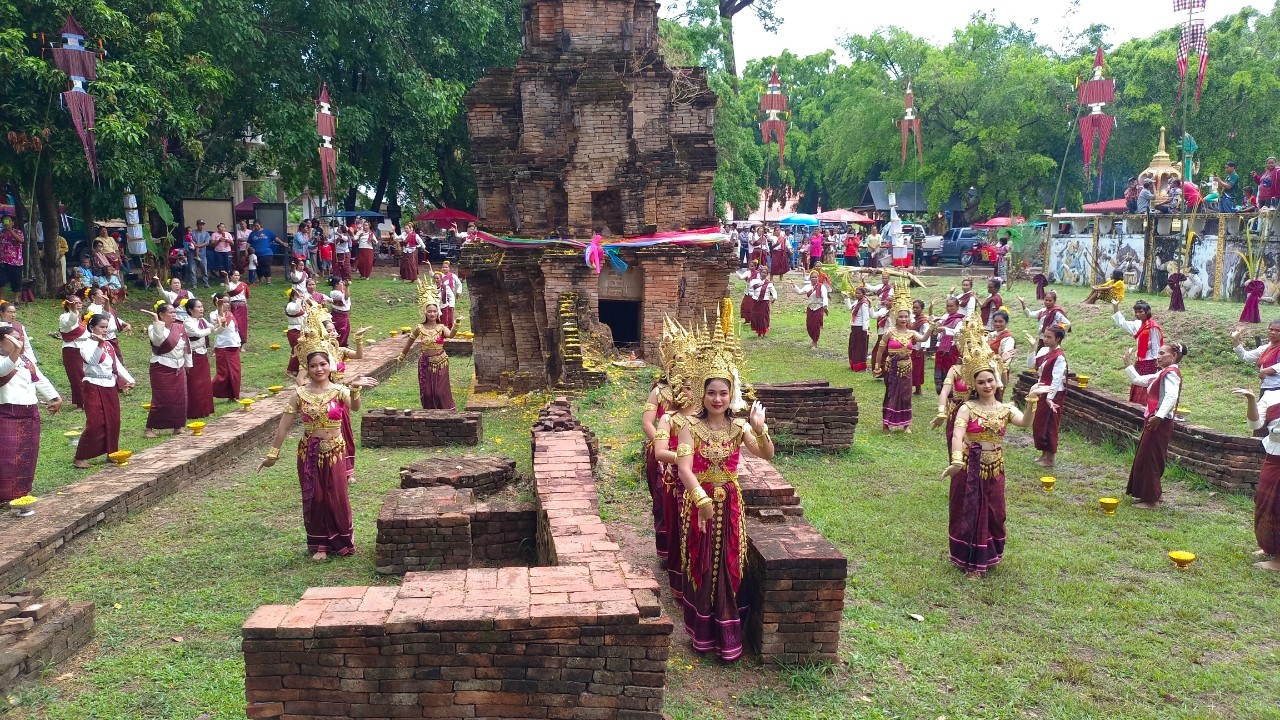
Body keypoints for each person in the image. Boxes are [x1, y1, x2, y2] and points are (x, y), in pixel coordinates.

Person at [673, 333, 773, 662]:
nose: (717, 399)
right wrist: (701, 500)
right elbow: (684, 469)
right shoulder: (689, 426)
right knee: (701, 562)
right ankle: (702, 634)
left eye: (723, 393)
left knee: (729, 561)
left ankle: (727, 633)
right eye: (711, 392)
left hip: (730, 501)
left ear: (732, 394)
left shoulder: (739, 427)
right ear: (702, 394)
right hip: (699, 501)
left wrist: (760, 428)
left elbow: (766, 454)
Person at [258, 325, 379, 561]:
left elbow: (355, 408)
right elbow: (283, 426)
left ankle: (342, 537)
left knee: (336, 495)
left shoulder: (339, 391)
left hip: (335, 450)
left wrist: (355, 390)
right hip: (309, 451)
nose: (319, 369)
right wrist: (273, 454)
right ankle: (320, 544)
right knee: (316, 496)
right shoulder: (299, 394)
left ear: (330, 365)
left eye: (323, 364)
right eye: (313, 365)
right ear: (307, 367)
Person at [942, 359, 1050, 577]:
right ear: (974, 385)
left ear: (996, 381)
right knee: (969, 511)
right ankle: (970, 562)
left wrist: (1031, 398)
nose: (987, 385)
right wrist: (956, 461)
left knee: (996, 512)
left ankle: (989, 555)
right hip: (970, 467)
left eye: (990, 380)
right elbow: (957, 435)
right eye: (981, 382)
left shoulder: (1005, 409)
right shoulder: (967, 408)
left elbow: (1025, 422)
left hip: (995, 468)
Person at [0, 327, 62, 512]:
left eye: (19, 338)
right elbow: (4, 369)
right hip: (8, 413)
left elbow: (39, 379)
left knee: (28, 454)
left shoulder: (25, 360)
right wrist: (17, 351)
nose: (17, 342)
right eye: (12, 339)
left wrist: (55, 397)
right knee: (7, 457)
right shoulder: (3, 360)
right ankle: (5, 495)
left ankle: (22, 490)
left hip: (30, 412)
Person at [1122, 342, 1185, 509]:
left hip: (1160, 422)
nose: (1158, 356)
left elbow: (1171, 396)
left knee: (1151, 458)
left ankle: (1151, 500)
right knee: (1149, 456)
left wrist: (1158, 416)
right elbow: (1137, 380)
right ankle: (1154, 493)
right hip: (1156, 419)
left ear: (1174, 356)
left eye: (1162, 353)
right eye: (1158, 353)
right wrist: (1127, 363)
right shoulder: (1162, 373)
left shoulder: (1171, 374)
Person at [74, 313, 136, 469]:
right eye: (101, 327)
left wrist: (129, 379)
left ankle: (112, 452)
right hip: (93, 384)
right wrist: (100, 345)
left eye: (106, 327)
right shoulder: (86, 344)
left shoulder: (108, 345)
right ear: (91, 327)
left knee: (114, 420)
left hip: (109, 384)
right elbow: (92, 361)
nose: (105, 330)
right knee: (95, 423)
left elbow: (116, 365)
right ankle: (80, 457)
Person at [1233, 388, 1280, 571]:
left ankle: (1278, 560)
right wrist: (1251, 400)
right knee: (1264, 501)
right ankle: (1269, 546)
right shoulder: (1272, 396)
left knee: (1277, 506)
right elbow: (1255, 424)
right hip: (1272, 457)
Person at [873, 286, 930, 432]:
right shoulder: (889, 332)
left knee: (906, 394)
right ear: (895, 317)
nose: (903, 319)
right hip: (891, 368)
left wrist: (932, 327)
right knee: (890, 393)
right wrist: (877, 366)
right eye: (901, 316)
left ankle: (906, 425)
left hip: (906, 368)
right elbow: (880, 350)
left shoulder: (912, 333)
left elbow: (923, 338)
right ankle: (886, 423)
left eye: (906, 316)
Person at [398, 278, 458, 410]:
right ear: (424, 312)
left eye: (434, 311)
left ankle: (446, 413)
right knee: (428, 393)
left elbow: (451, 335)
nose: (432, 313)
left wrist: (456, 325)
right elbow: (409, 343)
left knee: (439, 393)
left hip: (441, 362)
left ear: (438, 312)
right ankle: (429, 413)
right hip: (426, 363)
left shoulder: (441, 327)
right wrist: (402, 356)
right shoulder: (419, 328)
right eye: (429, 311)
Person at [142, 301, 189, 438]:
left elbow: (187, 347)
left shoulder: (180, 327)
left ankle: (177, 426)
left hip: (178, 366)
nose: (174, 314)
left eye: (175, 312)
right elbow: (158, 340)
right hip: (161, 366)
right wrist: (156, 321)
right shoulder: (153, 327)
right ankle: (149, 429)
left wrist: (188, 363)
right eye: (170, 312)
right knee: (162, 398)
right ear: (161, 315)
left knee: (180, 397)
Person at [1028, 323, 1068, 467]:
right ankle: (1043, 454)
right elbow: (1031, 364)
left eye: (1049, 337)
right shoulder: (1045, 350)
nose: (1045, 339)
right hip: (1042, 390)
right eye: (1044, 336)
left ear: (1058, 339)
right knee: (1039, 422)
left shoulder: (1059, 357)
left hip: (1053, 393)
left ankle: (1050, 458)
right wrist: (1032, 348)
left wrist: (1050, 398)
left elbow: (1056, 379)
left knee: (1050, 423)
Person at [1112, 299, 1163, 405]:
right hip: (1140, 361)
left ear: (1147, 312)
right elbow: (1122, 323)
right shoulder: (1137, 324)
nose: (1137, 314)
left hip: (1150, 362)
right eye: (1136, 312)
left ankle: (1145, 406)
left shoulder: (1152, 327)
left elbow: (1156, 346)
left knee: (1145, 385)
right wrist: (1116, 307)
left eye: (1140, 312)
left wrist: (1157, 362)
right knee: (1136, 382)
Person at [182, 299, 214, 419]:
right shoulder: (187, 322)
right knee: (195, 383)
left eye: (202, 306)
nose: (201, 309)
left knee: (205, 382)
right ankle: (195, 411)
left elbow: (216, 329)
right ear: (191, 310)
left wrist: (221, 324)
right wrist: (213, 328)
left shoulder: (202, 320)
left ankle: (206, 409)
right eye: (198, 307)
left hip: (203, 353)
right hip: (193, 355)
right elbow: (198, 333)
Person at [57, 294, 88, 408]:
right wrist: (73, 311)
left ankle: (89, 400)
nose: (78, 305)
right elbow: (70, 322)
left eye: (79, 302)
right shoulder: (64, 317)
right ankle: (80, 402)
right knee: (76, 376)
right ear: (68, 304)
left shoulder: (83, 319)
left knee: (86, 374)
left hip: (85, 348)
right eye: (74, 303)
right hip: (72, 349)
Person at [209, 294, 242, 401]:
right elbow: (221, 325)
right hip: (223, 347)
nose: (226, 304)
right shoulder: (213, 314)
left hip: (234, 346)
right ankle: (207, 391)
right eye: (223, 302)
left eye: (228, 302)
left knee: (235, 373)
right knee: (224, 374)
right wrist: (219, 308)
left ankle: (233, 396)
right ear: (217, 302)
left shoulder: (230, 313)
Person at [1232, 321, 1280, 394]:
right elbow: (1245, 357)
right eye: (1271, 329)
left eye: (1278, 330)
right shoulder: (1265, 348)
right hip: (1266, 386)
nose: (1273, 332)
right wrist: (1236, 340)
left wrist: (1265, 371)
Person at [933, 297, 966, 394]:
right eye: (947, 306)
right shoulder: (945, 317)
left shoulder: (959, 320)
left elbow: (958, 333)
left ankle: (952, 394)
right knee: (941, 371)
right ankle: (943, 393)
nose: (949, 308)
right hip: (941, 348)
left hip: (952, 349)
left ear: (957, 307)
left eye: (952, 306)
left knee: (951, 371)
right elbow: (938, 331)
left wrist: (945, 329)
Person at [794, 269, 830, 349]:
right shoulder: (807, 286)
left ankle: (815, 342)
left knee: (816, 326)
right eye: (812, 277)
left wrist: (825, 306)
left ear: (818, 278)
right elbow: (800, 292)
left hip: (818, 308)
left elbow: (825, 297)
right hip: (810, 308)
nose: (814, 279)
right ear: (810, 278)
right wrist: (794, 285)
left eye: (815, 277)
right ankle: (812, 339)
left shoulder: (822, 287)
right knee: (809, 325)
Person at [986, 310, 1015, 400]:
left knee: (994, 397)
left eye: (1000, 321)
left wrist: (1000, 362)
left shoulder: (1008, 339)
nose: (997, 324)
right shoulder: (991, 335)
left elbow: (1007, 358)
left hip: (998, 371)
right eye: (995, 321)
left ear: (1006, 322)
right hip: (986, 369)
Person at [845, 286, 871, 372]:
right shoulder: (857, 302)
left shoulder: (864, 304)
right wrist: (847, 298)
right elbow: (849, 308)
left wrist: (865, 330)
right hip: (854, 327)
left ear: (863, 294)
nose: (857, 295)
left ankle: (859, 365)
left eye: (859, 293)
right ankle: (853, 363)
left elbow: (866, 317)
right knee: (853, 345)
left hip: (860, 328)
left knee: (859, 347)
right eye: (856, 293)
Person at [222, 270, 251, 345]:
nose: (237, 277)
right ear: (231, 276)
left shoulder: (244, 285)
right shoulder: (230, 285)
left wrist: (246, 305)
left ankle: (243, 343)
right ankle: (236, 341)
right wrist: (226, 276)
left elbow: (246, 296)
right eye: (235, 275)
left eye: (238, 275)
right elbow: (228, 288)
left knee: (243, 324)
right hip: (234, 307)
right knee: (235, 323)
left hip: (243, 307)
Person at [284, 289, 307, 377]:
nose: (300, 296)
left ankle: (297, 369)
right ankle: (290, 370)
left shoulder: (302, 305)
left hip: (302, 330)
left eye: (301, 294)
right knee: (297, 349)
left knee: (302, 350)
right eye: (297, 295)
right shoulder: (290, 305)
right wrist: (299, 300)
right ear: (292, 296)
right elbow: (295, 310)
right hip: (294, 330)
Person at [0, 215, 25, 295]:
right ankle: (1, 298)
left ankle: (16, 299)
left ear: (13, 223)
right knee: (1, 280)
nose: (6, 223)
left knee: (16, 281)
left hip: (16, 261)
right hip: (2, 261)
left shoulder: (18, 232)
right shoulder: (1, 233)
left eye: (8, 221)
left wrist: (10, 231)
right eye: (4, 221)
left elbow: (21, 240)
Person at [911, 299, 930, 395]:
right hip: (911, 346)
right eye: (913, 307)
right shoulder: (913, 319)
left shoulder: (924, 322)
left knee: (917, 369)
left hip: (918, 348)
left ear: (922, 309)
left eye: (917, 308)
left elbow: (927, 334)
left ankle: (918, 389)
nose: (915, 309)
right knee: (911, 368)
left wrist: (923, 348)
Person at [749, 271, 776, 337]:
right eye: (762, 272)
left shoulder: (769, 284)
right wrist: (752, 295)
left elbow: (774, 291)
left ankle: (763, 332)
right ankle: (757, 331)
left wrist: (774, 298)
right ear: (760, 273)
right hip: (756, 301)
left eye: (765, 273)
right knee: (754, 315)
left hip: (764, 302)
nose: (763, 274)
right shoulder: (754, 281)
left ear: (767, 274)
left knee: (763, 316)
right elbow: (750, 290)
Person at [437, 261, 462, 329]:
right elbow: (433, 277)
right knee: (442, 312)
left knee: (450, 311)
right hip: (441, 297)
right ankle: (442, 328)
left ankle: (450, 328)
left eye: (446, 267)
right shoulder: (439, 276)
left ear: (449, 268)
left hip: (450, 297)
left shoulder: (453, 276)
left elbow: (459, 284)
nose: (444, 269)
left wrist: (458, 292)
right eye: (443, 267)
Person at [328, 277, 352, 347]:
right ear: (336, 284)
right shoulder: (334, 293)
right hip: (338, 315)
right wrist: (347, 287)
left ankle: (344, 345)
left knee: (346, 330)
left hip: (344, 315)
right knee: (341, 331)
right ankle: (338, 346)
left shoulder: (341, 291)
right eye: (341, 282)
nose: (343, 283)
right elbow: (346, 298)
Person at [188, 220, 211, 288]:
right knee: (192, 269)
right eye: (200, 224)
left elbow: (206, 243)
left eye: (202, 224)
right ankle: (194, 285)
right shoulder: (192, 232)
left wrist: (198, 246)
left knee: (204, 269)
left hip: (202, 254)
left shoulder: (206, 233)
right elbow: (188, 240)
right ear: (197, 225)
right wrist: (193, 245)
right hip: (192, 253)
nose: (201, 226)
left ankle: (206, 284)